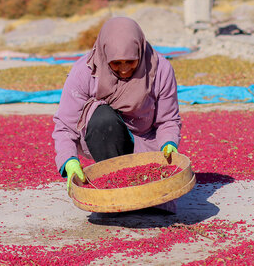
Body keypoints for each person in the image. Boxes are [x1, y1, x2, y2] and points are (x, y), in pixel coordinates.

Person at [52, 17, 182, 197]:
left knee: (154, 200)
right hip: (106, 141)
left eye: (130, 61)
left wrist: (168, 142)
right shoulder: (86, 71)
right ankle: (114, 187)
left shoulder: (160, 69)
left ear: (140, 50)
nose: (123, 69)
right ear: (105, 56)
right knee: (103, 118)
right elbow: (65, 126)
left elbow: (167, 120)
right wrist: (69, 160)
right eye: (116, 62)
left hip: (145, 143)